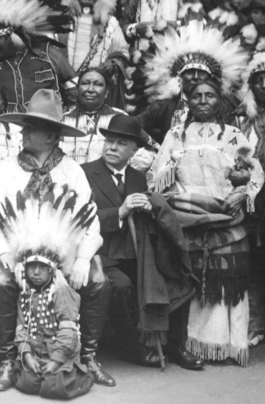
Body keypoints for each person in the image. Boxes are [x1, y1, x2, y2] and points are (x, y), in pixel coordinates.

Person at [0, 89, 115, 390]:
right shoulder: (7, 168)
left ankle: (88, 356)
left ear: (52, 136)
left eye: (32, 128)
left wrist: (82, 258)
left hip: (64, 256)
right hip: (17, 257)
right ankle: (10, 358)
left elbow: (89, 220)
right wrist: (6, 256)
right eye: (25, 126)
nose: (24, 132)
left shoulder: (72, 171)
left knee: (98, 280)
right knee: (2, 282)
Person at [148, 79, 264, 366]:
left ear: (218, 101)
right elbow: (158, 176)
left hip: (228, 219)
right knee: (191, 281)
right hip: (187, 218)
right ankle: (190, 345)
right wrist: (181, 201)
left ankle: (226, 345)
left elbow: (254, 172)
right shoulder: (176, 135)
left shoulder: (234, 136)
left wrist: (241, 195)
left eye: (209, 95)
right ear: (189, 100)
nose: (202, 100)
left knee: (225, 282)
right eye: (196, 95)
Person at [81, 114, 201, 370]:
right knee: (122, 285)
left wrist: (149, 207)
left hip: (134, 252)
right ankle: (131, 346)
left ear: (134, 150)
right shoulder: (84, 173)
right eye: (109, 141)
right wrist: (120, 212)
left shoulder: (137, 177)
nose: (112, 147)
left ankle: (175, 345)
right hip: (99, 254)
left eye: (121, 144)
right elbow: (79, 219)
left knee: (174, 277)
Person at [0, 187, 96, 400]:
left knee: (54, 386)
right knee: (28, 382)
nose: (35, 272)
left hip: (62, 355)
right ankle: (37, 368)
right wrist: (27, 356)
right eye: (31, 268)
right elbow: (22, 328)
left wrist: (56, 361)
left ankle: (76, 373)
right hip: (37, 353)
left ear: (52, 270)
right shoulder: (26, 294)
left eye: (41, 268)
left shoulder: (61, 292)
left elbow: (69, 333)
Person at [122, 0, 214, 110]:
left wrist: (171, 27)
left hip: (172, 68)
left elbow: (197, 26)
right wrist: (135, 29)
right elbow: (124, 24)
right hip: (139, 66)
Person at [137, 22, 248, 144]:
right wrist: (155, 148)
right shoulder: (164, 105)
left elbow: (232, 142)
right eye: (189, 72)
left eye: (201, 72)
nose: (195, 77)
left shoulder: (222, 108)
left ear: (210, 78)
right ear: (180, 77)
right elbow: (133, 126)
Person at [60, 0, 131, 111]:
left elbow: (123, 53)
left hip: (97, 90)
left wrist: (112, 64)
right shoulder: (62, 21)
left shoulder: (109, 23)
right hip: (65, 91)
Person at [236, 52, 265, 347]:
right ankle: (256, 323)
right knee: (254, 263)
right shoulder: (243, 119)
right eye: (259, 80)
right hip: (253, 204)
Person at [59, 68, 154, 171]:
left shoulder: (120, 117)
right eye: (85, 83)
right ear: (77, 89)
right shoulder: (62, 121)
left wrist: (125, 172)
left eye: (97, 84)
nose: (90, 89)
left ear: (107, 92)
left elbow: (152, 149)